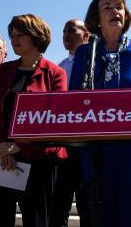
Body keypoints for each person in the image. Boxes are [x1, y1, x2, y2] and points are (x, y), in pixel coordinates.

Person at [70, 0, 131, 227]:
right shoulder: (84, 53)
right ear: (97, 19)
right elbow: (73, 100)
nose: (115, 11)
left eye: (119, 6)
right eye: (107, 7)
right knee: (100, 214)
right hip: (95, 149)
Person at [0, 14, 68, 227]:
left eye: (20, 34)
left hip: (40, 161)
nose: (14, 39)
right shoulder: (2, 71)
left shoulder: (56, 73)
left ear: (37, 36)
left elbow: (55, 118)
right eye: (12, 35)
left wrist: (17, 147)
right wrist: (1, 146)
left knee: (37, 221)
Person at [51, 19, 90, 227]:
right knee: (60, 200)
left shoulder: (97, 63)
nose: (66, 34)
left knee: (87, 202)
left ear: (86, 35)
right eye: (63, 31)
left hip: (89, 144)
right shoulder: (59, 69)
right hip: (65, 144)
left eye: (71, 30)